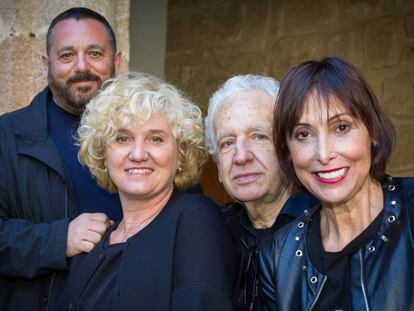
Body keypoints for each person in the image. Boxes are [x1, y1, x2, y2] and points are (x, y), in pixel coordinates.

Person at [52, 72, 239, 310]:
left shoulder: (196, 219)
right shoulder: (95, 243)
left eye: (156, 139)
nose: (138, 154)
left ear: (180, 153)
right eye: (123, 138)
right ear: (104, 155)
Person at [259, 56, 414, 310]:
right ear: (287, 151)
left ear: (373, 132)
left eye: (341, 127)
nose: (323, 153)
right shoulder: (276, 257)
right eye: (304, 134)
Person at [0, 7, 122, 310]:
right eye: (67, 56)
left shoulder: (149, 134)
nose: (82, 67)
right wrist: (60, 238)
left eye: (95, 53)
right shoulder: (5, 137)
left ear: (117, 61)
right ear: (46, 64)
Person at [204, 75, 317, 310]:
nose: (241, 156)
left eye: (259, 136)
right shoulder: (210, 234)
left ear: (288, 149)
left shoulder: (328, 225)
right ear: (217, 165)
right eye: (227, 142)